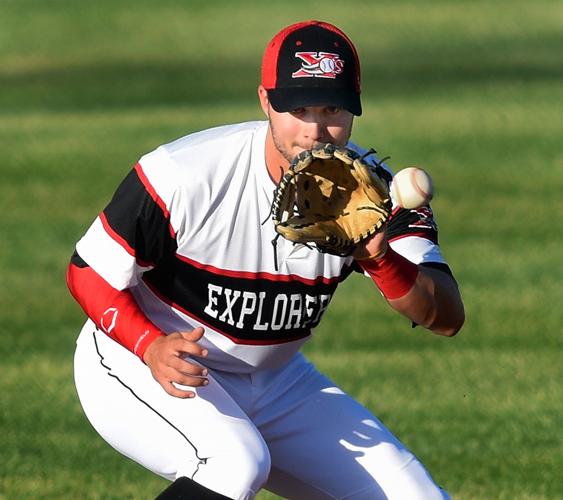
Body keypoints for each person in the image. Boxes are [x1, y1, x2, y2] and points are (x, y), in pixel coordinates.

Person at [67, 20, 464, 500]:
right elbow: (86, 271)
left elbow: (444, 317)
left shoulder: (379, 196)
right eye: (298, 109)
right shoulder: (187, 174)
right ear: (266, 102)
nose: (315, 130)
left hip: (276, 381)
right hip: (135, 358)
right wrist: (150, 345)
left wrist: (380, 258)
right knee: (235, 464)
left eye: (332, 109)